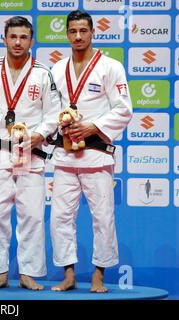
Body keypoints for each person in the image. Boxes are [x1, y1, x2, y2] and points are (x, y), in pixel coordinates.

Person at [49, 10, 132, 293]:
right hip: (65, 155)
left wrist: (92, 126)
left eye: (83, 31)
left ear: (93, 32)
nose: (78, 36)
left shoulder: (111, 67)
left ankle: (99, 276)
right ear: (67, 34)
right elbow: (50, 110)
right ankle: (68, 274)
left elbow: (123, 109)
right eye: (73, 31)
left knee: (103, 217)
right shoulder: (58, 69)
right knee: (59, 217)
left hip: (97, 155)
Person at [0, 16, 60, 290]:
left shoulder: (43, 73)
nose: (18, 42)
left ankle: (28, 273)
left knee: (32, 215)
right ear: (4, 39)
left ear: (31, 41)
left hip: (30, 153)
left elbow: (53, 114)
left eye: (23, 37)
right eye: (13, 36)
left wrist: (40, 133)